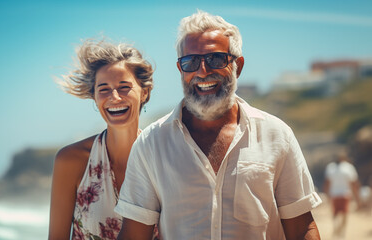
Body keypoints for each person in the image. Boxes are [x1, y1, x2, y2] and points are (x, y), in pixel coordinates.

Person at [115, 10, 322, 239]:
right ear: (181, 70)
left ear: (238, 66)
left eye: (215, 59)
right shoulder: (150, 144)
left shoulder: (277, 135)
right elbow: (134, 234)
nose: (202, 71)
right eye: (190, 62)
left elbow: (301, 227)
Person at [48, 39, 157, 240]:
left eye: (124, 87)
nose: (114, 97)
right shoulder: (71, 160)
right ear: (95, 97)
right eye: (104, 89)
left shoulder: (163, 158)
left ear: (145, 92)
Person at [323, 151, 360, 239]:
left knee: (335, 214)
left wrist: (327, 194)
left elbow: (327, 183)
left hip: (335, 194)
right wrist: (357, 197)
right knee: (344, 214)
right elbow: (354, 183)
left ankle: (337, 230)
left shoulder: (330, 167)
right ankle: (341, 232)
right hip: (345, 194)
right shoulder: (349, 167)